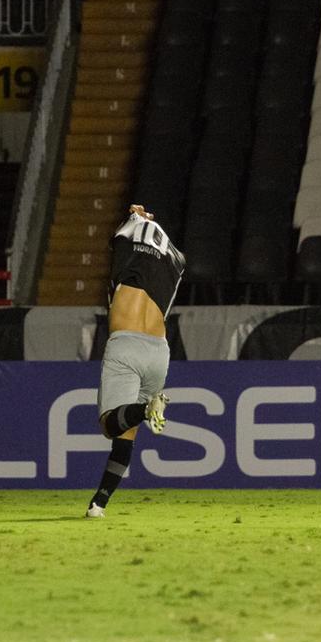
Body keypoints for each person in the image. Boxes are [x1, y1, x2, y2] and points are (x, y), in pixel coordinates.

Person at [86, 204, 185, 518]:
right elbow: (156, 246)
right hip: (159, 350)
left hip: (127, 344)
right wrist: (146, 222)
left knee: (110, 425)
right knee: (125, 434)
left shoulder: (126, 245)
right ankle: (98, 504)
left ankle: (146, 409)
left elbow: (120, 237)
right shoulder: (175, 261)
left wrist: (135, 216)